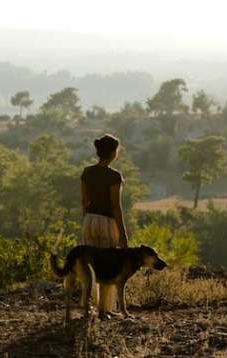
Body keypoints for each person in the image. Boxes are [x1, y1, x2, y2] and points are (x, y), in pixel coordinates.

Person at [80, 133, 128, 318]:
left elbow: (84, 201)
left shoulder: (87, 172)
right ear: (114, 153)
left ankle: (88, 307)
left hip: (90, 220)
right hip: (107, 222)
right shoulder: (114, 176)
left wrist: (87, 220)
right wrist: (123, 234)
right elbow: (116, 207)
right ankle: (105, 309)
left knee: (90, 265)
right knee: (108, 266)